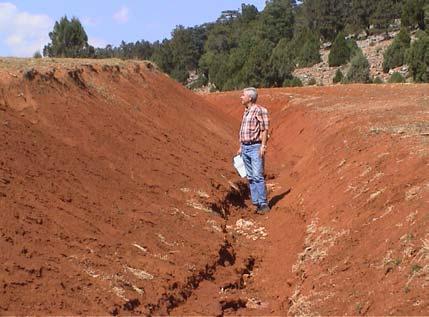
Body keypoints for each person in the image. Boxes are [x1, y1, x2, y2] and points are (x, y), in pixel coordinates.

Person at [237, 87, 270, 214]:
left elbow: (264, 129)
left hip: (255, 146)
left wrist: (263, 146)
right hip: (245, 147)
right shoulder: (246, 111)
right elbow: (243, 130)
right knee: (250, 176)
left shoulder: (260, 110)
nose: (241, 97)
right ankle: (256, 203)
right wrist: (241, 146)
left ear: (250, 98)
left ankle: (263, 204)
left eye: (243, 95)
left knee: (257, 175)